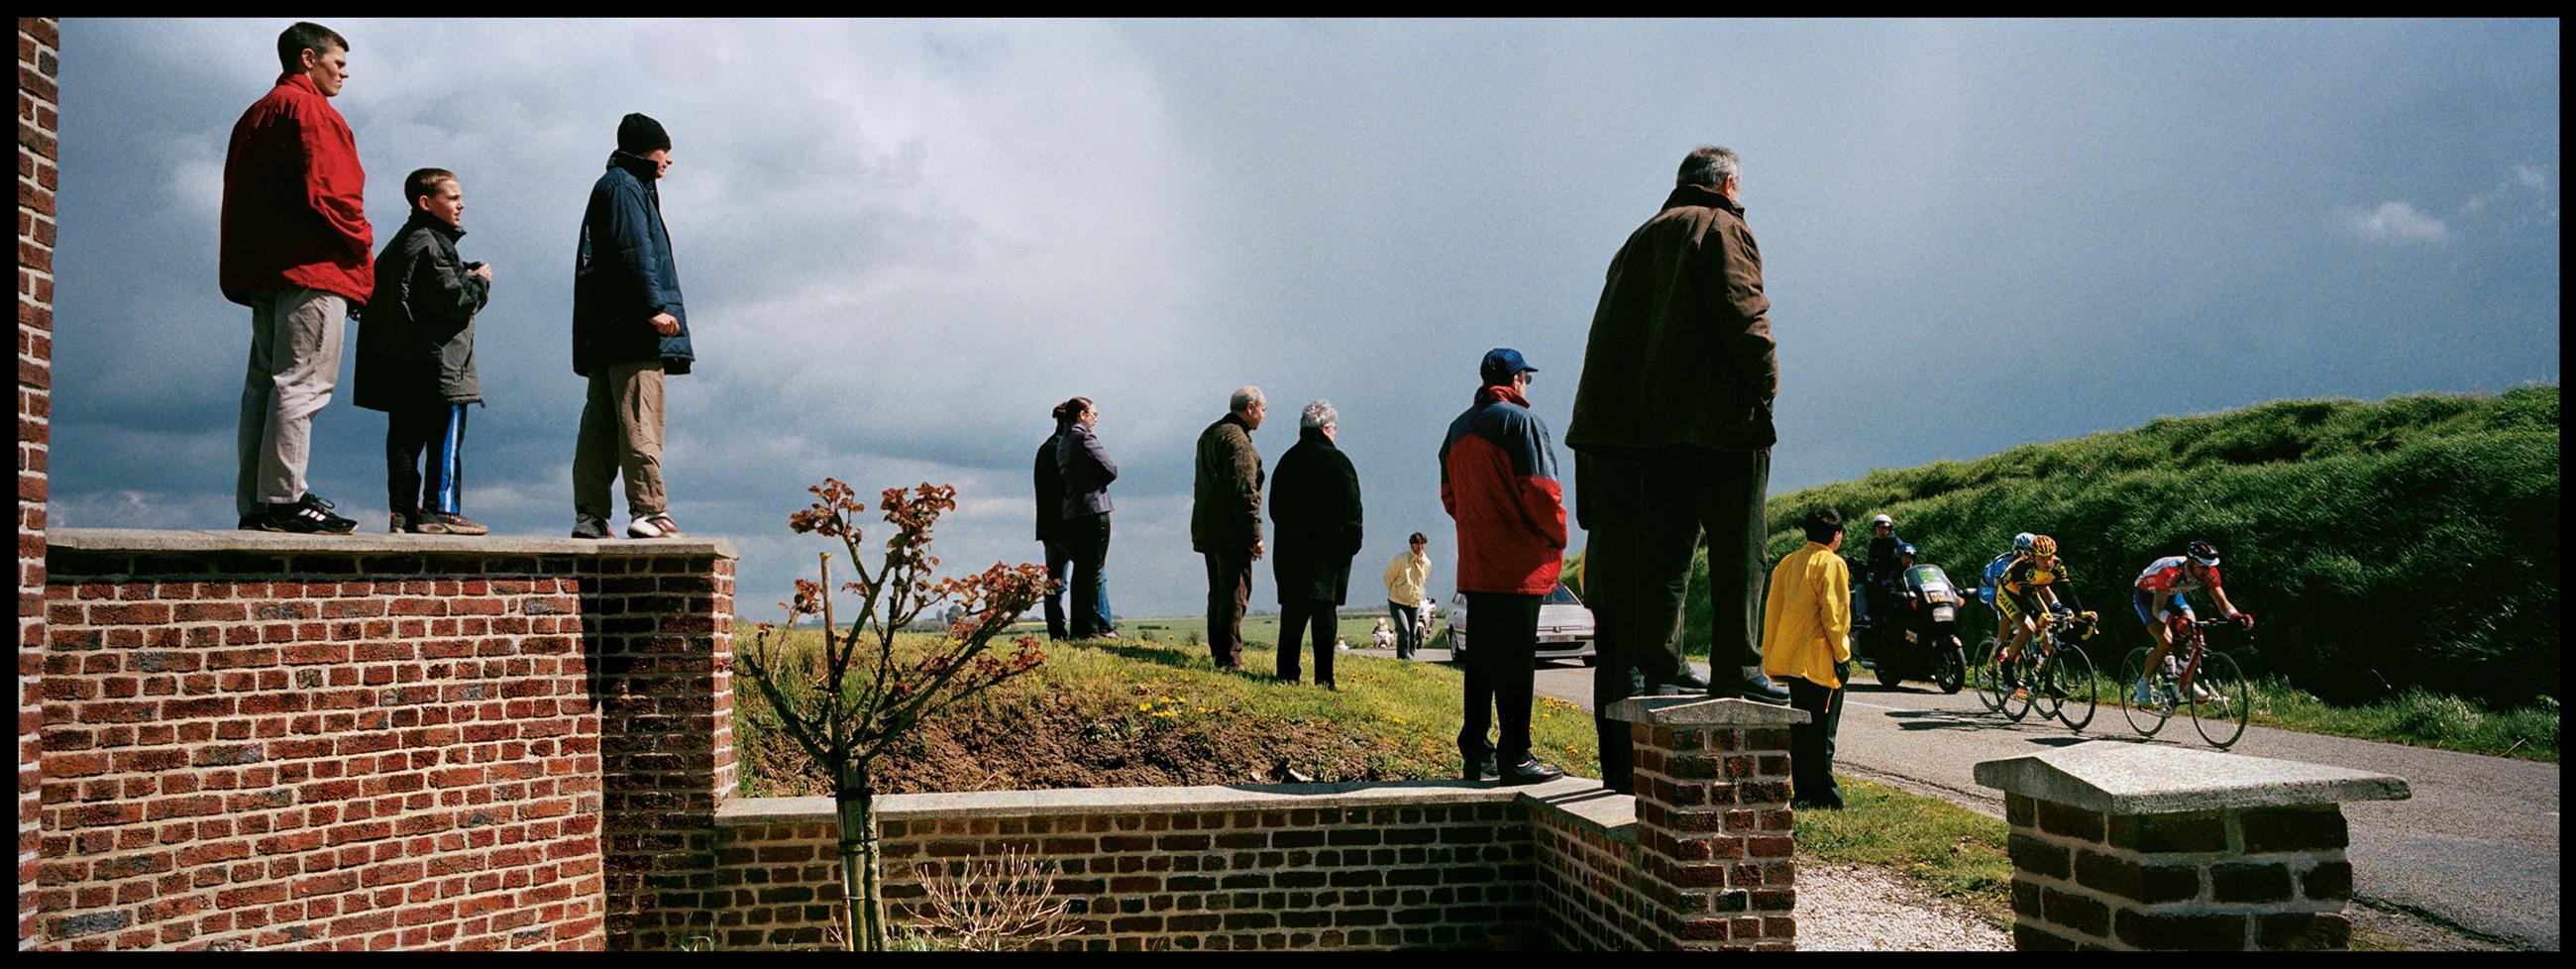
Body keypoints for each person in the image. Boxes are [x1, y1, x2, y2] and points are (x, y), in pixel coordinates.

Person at [1565, 145, 1790, 706]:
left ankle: (1663, 662)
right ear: (1728, 185)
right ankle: (1738, 667)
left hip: (1651, 432)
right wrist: (1765, 390)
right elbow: (1747, 317)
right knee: (1741, 550)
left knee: (1668, 553)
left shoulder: (1639, 239)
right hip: (1721, 423)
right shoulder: (1723, 227)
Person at [224, 21, 370, 535]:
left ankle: (257, 503)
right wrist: (362, 252)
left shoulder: (256, 114)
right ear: (309, 59)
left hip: (266, 270)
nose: (344, 73)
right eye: (338, 63)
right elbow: (334, 197)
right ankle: (286, 498)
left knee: (265, 386)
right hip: (315, 268)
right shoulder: (312, 111)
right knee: (304, 383)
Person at [1441, 349, 1567, 787]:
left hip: (1477, 562)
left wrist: (1477, 524)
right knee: (1516, 662)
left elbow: (1450, 497)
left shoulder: (1457, 429)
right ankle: (1516, 756)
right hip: (1518, 564)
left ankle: (1477, 751)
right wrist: (1556, 537)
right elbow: (1543, 491)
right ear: (1516, 380)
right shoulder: (1523, 423)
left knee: (1480, 662)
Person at [571, 112, 694, 540]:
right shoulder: (626, 187)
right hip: (633, 330)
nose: (669, 160)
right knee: (641, 417)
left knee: (600, 427)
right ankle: (648, 510)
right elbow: (632, 250)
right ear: (646, 150)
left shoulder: (612, 185)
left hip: (605, 329)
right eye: (665, 150)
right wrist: (652, 308)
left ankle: (590, 515)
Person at [354, 167, 491, 535]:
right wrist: (480, 282)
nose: (461, 204)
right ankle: (440, 511)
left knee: (404, 440)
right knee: (445, 439)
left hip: (401, 363)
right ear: (426, 203)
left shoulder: (400, 244)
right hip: (440, 364)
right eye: (453, 197)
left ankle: (402, 514)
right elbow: (459, 300)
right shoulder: (431, 243)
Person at [1761, 505, 1854, 810]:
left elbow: (1773, 611)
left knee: (1802, 730)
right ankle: (1825, 793)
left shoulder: (1788, 563)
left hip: (1792, 660)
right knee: (1823, 730)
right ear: (1836, 535)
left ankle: (1802, 790)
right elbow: (1835, 615)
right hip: (1820, 660)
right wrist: (1843, 654)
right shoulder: (1831, 563)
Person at [1269, 399, 1363, 689]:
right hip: (1328, 555)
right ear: (1326, 428)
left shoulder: (1287, 460)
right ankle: (1324, 679)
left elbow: (1275, 509)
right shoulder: (1338, 461)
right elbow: (1352, 511)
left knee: (1292, 615)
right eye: (1334, 429)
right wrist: (1350, 546)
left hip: (1291, 551)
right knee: (1324, 616)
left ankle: (1287, 674)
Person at [1192, 385, 1267, 670]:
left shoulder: (1210, 434)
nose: (1263, 416)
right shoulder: (1238, 442)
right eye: (1262, 410)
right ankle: (1229, 658)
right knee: (1235, 595)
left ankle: (1218, 651)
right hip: (1231, 532)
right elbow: (1244, 493)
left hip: (1208, 527)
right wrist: (1255, 535)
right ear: (1250, 408)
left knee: (1218, 594)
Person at [2130, 541, 2256, 705]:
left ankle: (2186, 682)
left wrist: (2235, 616)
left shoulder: (2209, 571)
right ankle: (2143, 683)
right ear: (2190, 562)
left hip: (2173, 594)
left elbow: (2221, 602)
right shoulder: (2169, 571)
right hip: (2148, 598)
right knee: (2166, 641)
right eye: (2202, 567)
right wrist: (2174, 621)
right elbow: (2157, 609)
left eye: (2209, 567)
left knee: (2195, 630)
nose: (2207, 571)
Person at [1055, 396, 1119, 639]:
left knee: (1082, 571)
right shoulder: (1085, 437)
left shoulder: (1064, 440)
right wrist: (1096, 481)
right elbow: (1110, 469)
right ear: (1082, 415)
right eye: (1093, 414)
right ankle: (1090, 628)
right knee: (1093, 570)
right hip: (1093, 507)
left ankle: (1081, 628)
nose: (1096, 418)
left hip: (1073, 510)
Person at [1993, 534, 2073, 700]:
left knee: (2050, 630)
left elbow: (2058, 589)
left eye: (2050, 556)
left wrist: (2069, 610)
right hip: (2009, 594)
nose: (2048, 562)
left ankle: (2046, 676)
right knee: (2028, 628)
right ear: (2033, 557)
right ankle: (2007, 666)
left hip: (2030, 593)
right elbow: (2024, 597)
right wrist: (2039, 615)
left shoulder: (2055, 565)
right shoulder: (2023, 567)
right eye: (2043, 558)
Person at [1033, 402, 1074, 640]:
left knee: (1055, 583)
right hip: (1068, 523)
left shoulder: (1044, 448)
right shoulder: (1065, 448)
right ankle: (1096, 625)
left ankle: (1056, 632)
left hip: (1048, 525)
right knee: (1094, 575)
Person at [1382, 532, 1433, 660]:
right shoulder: (1400, 559)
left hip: (1414, 602)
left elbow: (1424, 581)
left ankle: (1409, 659)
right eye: (1417, 544)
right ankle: (1402, 659)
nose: (1420, 546)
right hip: (1397, 601)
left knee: (1413, 633)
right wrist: (1396, 590)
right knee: (1404, 630)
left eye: (1422, 544)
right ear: (1411, 544)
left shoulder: (1427, 563)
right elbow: (1388, 577)